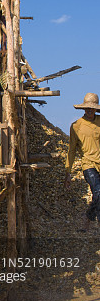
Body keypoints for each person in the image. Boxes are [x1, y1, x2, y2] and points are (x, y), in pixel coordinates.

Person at [64, 92, 100, 229]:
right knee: (98, 192)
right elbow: (71, 150)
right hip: (88, 164)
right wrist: (68, 172)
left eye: (92, 108)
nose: (89, 111)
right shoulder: (76, 126)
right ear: (84, 108)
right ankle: (90, 220)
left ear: (96, 109)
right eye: (87, 108)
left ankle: (88, 219)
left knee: (98, 195)